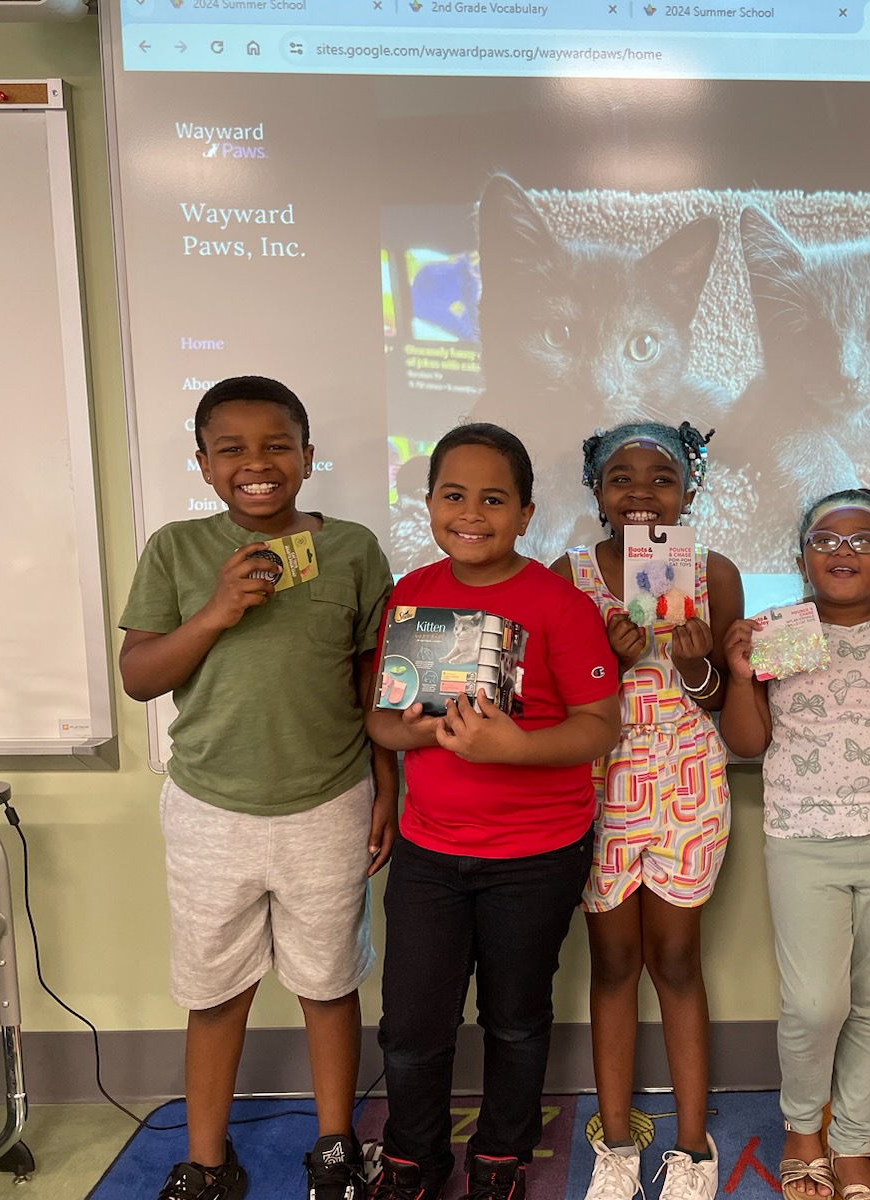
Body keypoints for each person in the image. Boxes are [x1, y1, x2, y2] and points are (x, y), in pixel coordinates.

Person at [118, 375, 396, 1200]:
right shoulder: (174, 548)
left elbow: (371, 679)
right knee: (215, 991)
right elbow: (138, 676)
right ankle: (207, 1162)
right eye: (230, 449)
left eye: (277, 445)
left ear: (309, 457)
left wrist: (389, 787)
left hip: (331, 799)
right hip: (210, 807)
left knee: (328, 982)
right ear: (203, 466)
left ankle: (337, 1148)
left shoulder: (351, 549)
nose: (256, 463)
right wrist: (213, 612)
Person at [365, 423, 622, 1200]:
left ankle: (501, 1155)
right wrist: (404, 729)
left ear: (525, 512)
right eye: (453, 495)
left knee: (514, 1017)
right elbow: (380, 720)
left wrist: (512, 747)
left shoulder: (559, 603)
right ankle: (413, 1156)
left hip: (537, 855)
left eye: (493, 499)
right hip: (429, 853)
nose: (470, 513)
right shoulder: (412, 595)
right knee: (412, 1025)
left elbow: (599, 725)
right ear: (429, 502)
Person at [719, 489, 870, 1200]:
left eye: (864, 540)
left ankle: (851, 1142)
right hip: (803, 836)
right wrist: (742, 678)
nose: (843, 551)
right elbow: (747, 743)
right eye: (825, 539)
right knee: (814, 1002)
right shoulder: (780, 630)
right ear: (802, 557)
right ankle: (802, 1128)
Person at [550, 422, 742, 1200]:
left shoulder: (713, 571)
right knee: (615, 965)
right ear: (596, 491)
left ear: (688, 491)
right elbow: (554, 697)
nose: (639, 491)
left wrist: (694, 665)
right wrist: (608, 659)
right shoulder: (566, 577)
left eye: (660, 477)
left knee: (675, 960)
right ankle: (618, 1143)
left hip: (689, 787)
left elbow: (728, 701)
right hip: (600, 789)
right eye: (620, 476)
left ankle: (693, 1148)